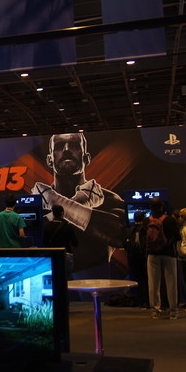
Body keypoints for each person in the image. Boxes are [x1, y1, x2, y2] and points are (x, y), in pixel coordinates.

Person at [31, 132, 125, 277]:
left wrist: (53, 200)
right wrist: (81, 201)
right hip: (51, 276)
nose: (66, 150)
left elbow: (120, 237)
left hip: (96, 282)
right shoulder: (36, 203)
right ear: (50, 160)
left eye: (74, 146)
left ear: (86, 158)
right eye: (59, 146)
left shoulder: (109, 199)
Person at [145, 197, 181, 320]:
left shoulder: (147, 221)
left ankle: (155, 310)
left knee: (153, 284)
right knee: (171, 284)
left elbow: (144, 239)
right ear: (162, 206)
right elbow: (177, 237)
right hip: (169, 254)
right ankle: (173, 311)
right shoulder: (170, 220)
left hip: (152, 254)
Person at [42, 204, 78, 278]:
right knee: (66, 278)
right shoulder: (67, 226)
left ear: (53, 213)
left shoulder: (47, 226)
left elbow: (44, 242)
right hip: (66, 254)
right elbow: (75, 243)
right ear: (62, 213)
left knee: (55, 278)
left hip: (52, 255)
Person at [124, 211, 149, 308]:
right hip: (143, 258)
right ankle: (147, 301)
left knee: (136, 280)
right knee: (146, 280)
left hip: (132, 258)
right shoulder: (145, 229)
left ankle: (139, 300)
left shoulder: (129, 230)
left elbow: (125, 244)